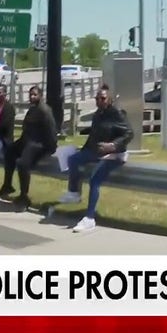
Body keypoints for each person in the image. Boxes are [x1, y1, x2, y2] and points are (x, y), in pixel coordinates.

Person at [58, 84, 134, 232]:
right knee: (73, 159)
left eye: (103, 98)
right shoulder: (98, 114)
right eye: (97, 98)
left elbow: (129, 133)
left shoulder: (117, 113)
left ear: (110, 99)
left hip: (115, 154)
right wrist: (84, 150)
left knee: (95, 180)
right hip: (98, 151)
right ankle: (74, 193)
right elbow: (94, 136)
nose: (99, 101)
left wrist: (112, 145)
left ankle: (90, 218)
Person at [0, 85, 58, 208]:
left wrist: (51, 148)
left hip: (38, 144)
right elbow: (26, 129)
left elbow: (51, 131)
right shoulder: (32, 109)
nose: (32, 97)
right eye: (30, 94)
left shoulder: (44, 111)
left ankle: (24, 196)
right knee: (9, 152)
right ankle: (7, 185)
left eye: (35, 94)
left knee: (22, 163)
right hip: (26, 141)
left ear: (40, 96)